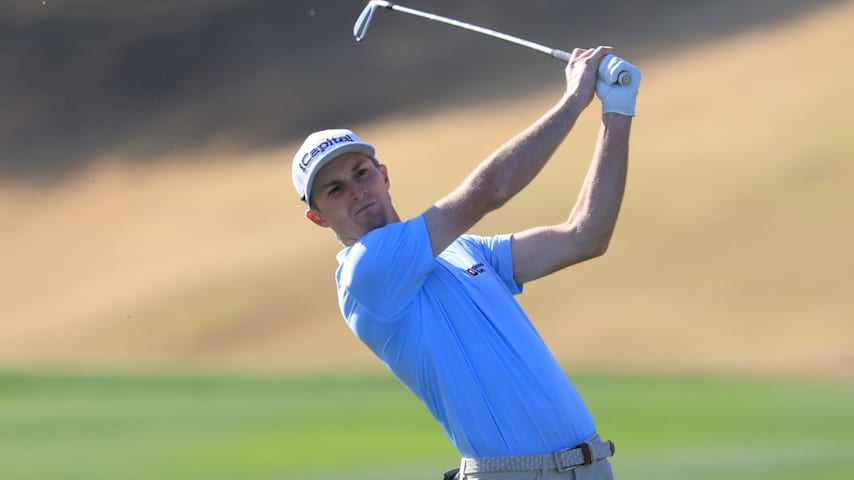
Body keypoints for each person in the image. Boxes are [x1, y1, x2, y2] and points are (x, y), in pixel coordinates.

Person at [292, 46, 640, 480]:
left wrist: (617, 111)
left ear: (384, 174)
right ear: (317, 216)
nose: (356, 191)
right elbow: (489, 191)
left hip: (591, 467)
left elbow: (584, 237)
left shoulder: (463, 250)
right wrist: (574, 100)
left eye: (361, 173)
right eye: (335, 189)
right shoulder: (365, 272)